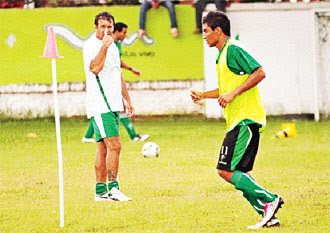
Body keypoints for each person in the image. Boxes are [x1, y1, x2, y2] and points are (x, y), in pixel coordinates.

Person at [190, 11, 284, 229]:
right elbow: (225, 89)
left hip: (246, 120)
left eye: (206, 31)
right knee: (241, 174)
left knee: (225, 170)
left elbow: (259, 72)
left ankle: (270, 200)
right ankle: (268, 214)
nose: (203, 36)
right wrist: (204, 95)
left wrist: (234, 94)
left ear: (218, 30)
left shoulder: (233, 49)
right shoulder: (221, 55)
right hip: (238, 121)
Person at [83, 11, 133, 202]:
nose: (106, 30)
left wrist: (127, 100)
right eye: (102, 27)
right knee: (115, 145)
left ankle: (100, 192)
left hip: (113, 104)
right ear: (96, 27)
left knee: (103, 148)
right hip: (100, 104)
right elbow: (95, 68)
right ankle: (113, 189)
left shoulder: (114, 46)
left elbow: (117, 74)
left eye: (109, 27)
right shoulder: (91, 46)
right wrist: (103, 47)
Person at [82, 22, 150, 143]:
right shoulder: (105, 44)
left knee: (104, 114)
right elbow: (96, 67)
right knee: (111, 113)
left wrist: (131, 69)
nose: (125, 35)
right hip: (107, 86)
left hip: (114, 83)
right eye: (123, 32)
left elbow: (117, 62)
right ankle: (134, 135)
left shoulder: (116, 45)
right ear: (116, 32)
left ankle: (87, 136)